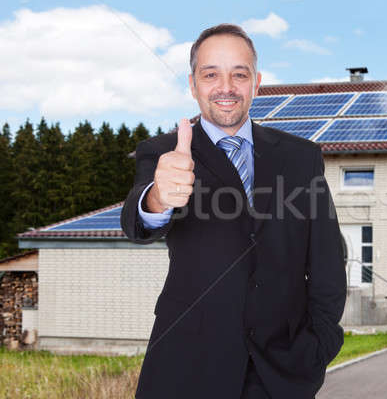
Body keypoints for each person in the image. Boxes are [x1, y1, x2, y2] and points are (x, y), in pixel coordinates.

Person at [120, 23, 347, 399]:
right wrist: (158, 197)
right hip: (184, 370)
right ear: (193, 84)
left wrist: (318, 346)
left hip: (280, 374)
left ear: (256, 83)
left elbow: (326, 261)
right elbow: (136, 221)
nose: (225, 87)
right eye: (211, 75)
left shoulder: (301, 157)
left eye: (238, 75)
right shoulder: (164, 152)